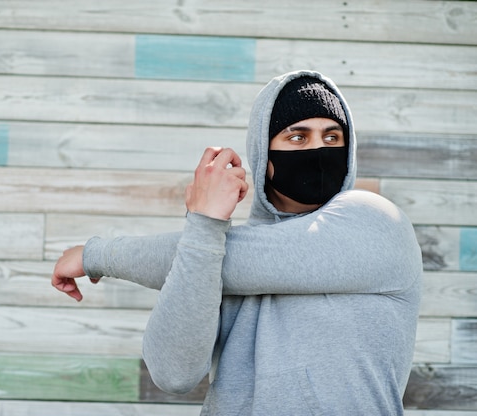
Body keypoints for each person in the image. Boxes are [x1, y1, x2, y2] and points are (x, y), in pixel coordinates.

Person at [52, 70, 422, 415]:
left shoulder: (374, 221)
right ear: (264, 152)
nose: (318, 150)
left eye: (331, 137)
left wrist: (96, 255)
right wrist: (205, 224)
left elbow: (241, 259)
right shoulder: (208, 250)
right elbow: (173, 374)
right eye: (297, 136)